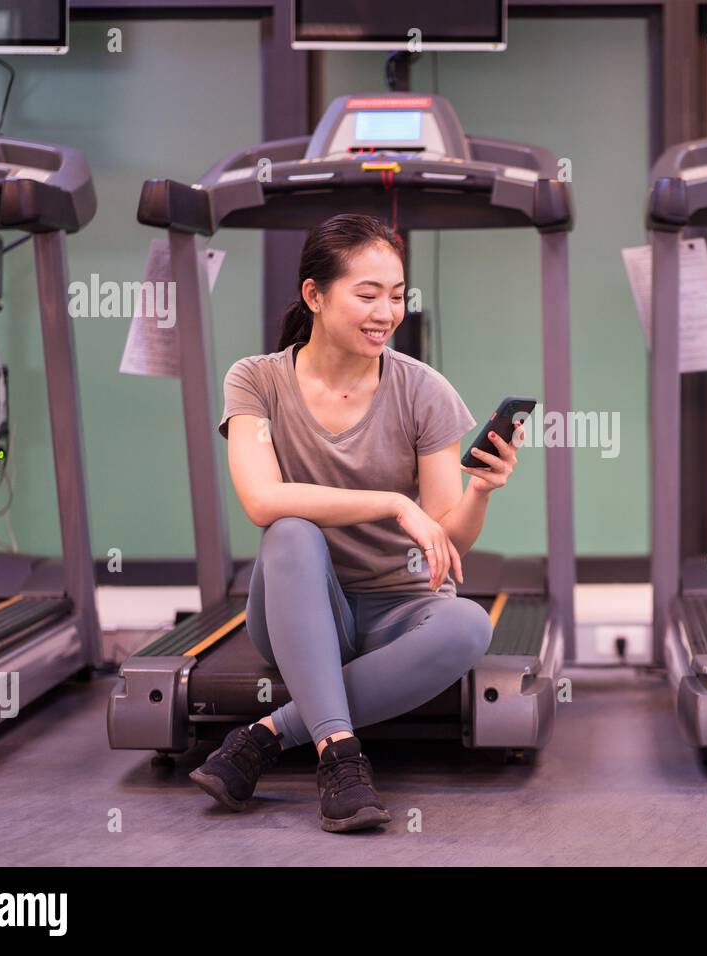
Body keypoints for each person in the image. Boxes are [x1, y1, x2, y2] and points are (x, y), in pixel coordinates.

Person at [188, 213, 519, 832]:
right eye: (367, 295)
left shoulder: (424, 390)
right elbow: (263, 501)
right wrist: (394, 503)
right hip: (300, 607)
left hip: (399, 610)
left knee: (469, 624)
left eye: (396, 296)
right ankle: (341, 758)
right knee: (288, 530)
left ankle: (262, 738)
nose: (386, 312)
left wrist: (480, 492)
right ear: (314, 295)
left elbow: (446, 538)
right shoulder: (256, 380)